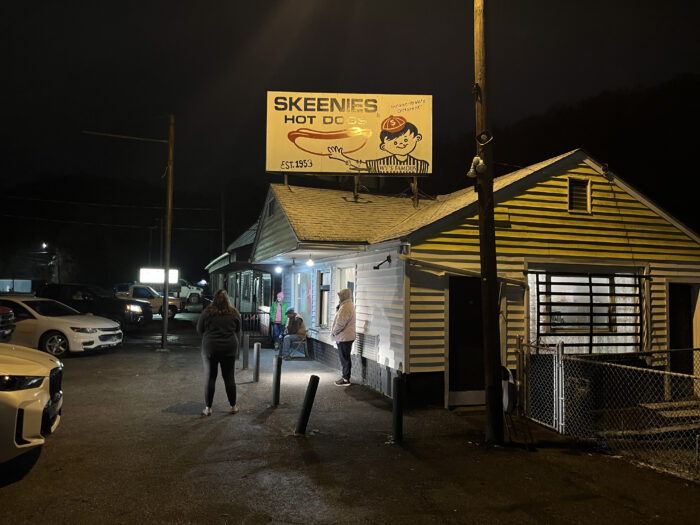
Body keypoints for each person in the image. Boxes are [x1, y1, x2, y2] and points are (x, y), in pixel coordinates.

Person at [328, 115, 429, 174]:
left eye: (406, 140)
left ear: (417, 138)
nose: (401, 144)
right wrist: (341, 157)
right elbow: (362, 166)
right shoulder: (382, 163)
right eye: (395, 142)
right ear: (384, 147)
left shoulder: (422, 165)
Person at [196, 289, 242, 416]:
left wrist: (209, 337)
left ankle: (208, 408)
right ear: (227, 299)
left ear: (214, 299)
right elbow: (238, 330)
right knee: (229, 377)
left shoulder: (207, 312)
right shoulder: (234, 312)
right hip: (229, 348)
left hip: (211, 348)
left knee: (210, 377)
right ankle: (233, 406)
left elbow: (199, 329)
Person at [331, 288, 356, 386]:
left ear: (343, 297)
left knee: (344, 358)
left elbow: (340, 323)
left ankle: (346, 379)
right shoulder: (347, 305)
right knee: (345, 357)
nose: (339, 298)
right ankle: (345, 377)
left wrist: (334, 332)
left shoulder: (345, 307)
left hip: (344, 337)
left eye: (340, 296)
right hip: (346, 336)